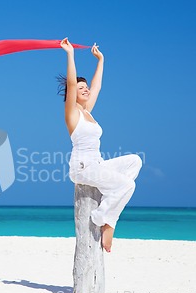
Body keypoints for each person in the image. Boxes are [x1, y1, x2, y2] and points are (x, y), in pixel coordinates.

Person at [59, 37, 142, 253]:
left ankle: (109, 202)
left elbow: (97, 87)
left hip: (97, 163)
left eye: (85, 87)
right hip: (83, 166)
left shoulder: (87, 112)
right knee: (127, 186)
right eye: (81, 88)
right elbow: (69, 83)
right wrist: (70, 54)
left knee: (134, 161)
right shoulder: (72, 113)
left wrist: (100, 61)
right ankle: (104, 218)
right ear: (72, 94)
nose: (86, 90)